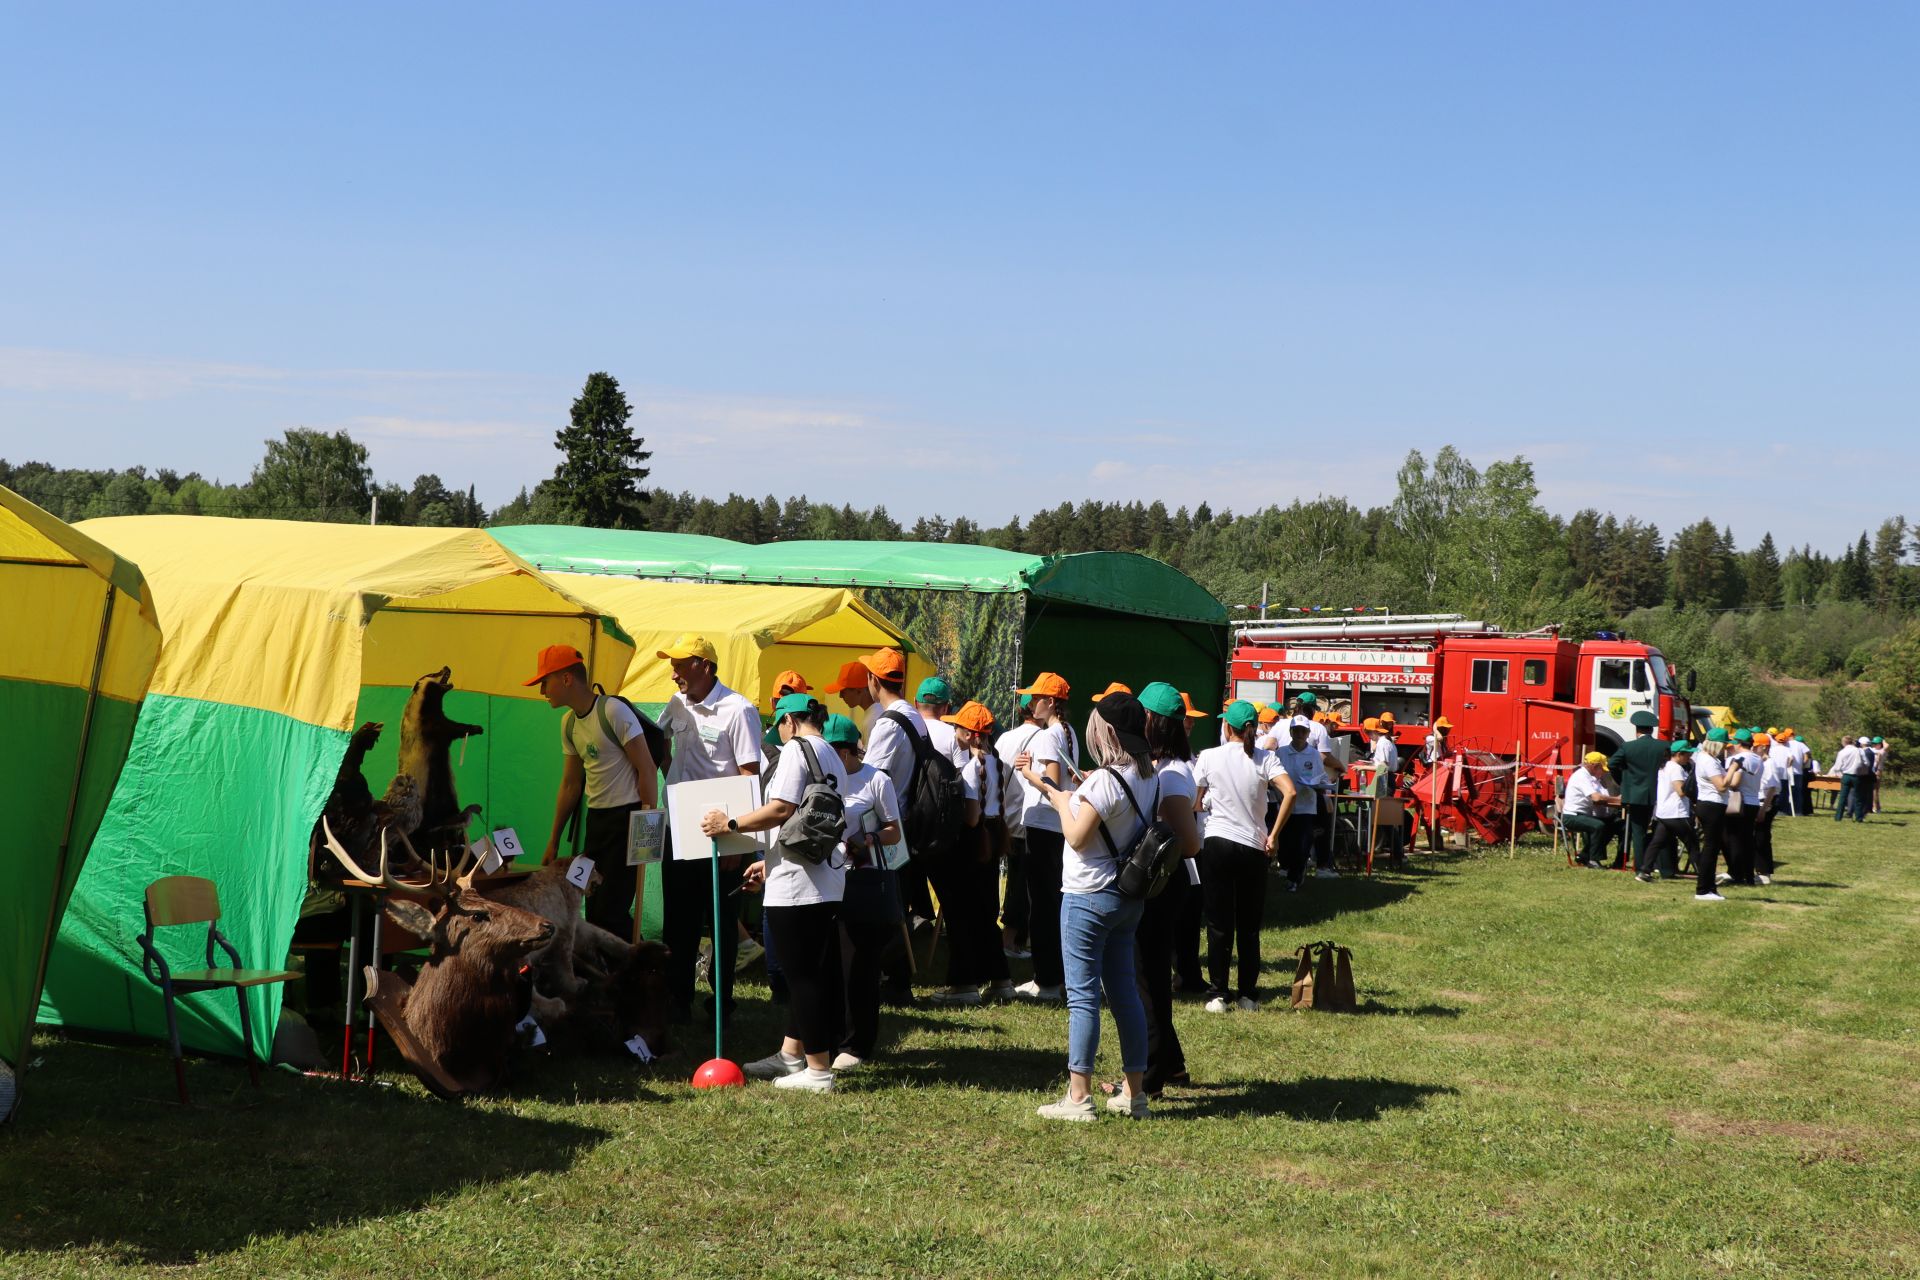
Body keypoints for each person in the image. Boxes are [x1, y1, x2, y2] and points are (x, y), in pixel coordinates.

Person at [697, 694, 846, 1092]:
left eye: (778, 726)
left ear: (790, 722)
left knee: (802, 977)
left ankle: (818, 1072)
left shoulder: (796, 750)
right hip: (825, 878)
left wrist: (730, 823)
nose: (777, 736)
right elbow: (809, 817)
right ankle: (791, 1055)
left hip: (797, 889)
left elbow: (781, 809)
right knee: (808, 972)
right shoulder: (831, 753)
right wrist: (771, 861)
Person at [1020, 692, 1157, 1121]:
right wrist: (1068, 791)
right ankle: (1134, 1094)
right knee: (1124, 994)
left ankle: (1078, 1097)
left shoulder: (1104, 780)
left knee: (1082, 997)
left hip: (1088, 896)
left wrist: (1061, 800)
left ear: (1108, 732)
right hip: (1126, 896)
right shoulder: (1148, 774)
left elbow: (1077, 837)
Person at [655, 634, 763, 1024]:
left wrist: (738, 840)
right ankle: (677, 1001)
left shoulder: (739, 709)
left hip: (722, 835)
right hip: (679, 827)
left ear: (704, 664)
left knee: (721, 922)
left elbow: (750, 776)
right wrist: (671, 781)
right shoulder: (676, 704)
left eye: (680, 665)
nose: (674, 674)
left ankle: (721, 1005)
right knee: (678, 922)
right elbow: (660, 743)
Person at [530, 645, 660, 941]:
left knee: (611, 912)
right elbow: (570, 785)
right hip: (597, 823)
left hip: (627, 819)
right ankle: (610, 975)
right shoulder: (569, 723)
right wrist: (553, 840)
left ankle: (637, 969)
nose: (541, 691)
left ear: (566, 679)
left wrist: (646, 827)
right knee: (595, 907)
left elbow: (647, 769)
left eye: (544, 682)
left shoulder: (613, 710)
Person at [825, 652, 917, 1011]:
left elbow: (870, 777)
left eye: (847, 690)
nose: (845, 697)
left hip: (875, 840)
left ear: (871, 683)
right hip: (889, 829)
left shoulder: (883, 722)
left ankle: (889, 980)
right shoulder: (910, 716)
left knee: (873, 924)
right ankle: (893, 980)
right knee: (887, 915)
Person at [1192, 701, 1297, 1013]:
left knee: (1218, 923)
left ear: (1228, 727)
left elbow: (1195, 803)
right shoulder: (1266, 758)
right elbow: (1289, 792)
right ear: (1253, 727)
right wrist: (1274, 835)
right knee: (1249, 925)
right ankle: (1248, 994)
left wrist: (1209, 802)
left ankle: (1217, 994)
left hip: (1218, 843)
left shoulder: (1209, 756)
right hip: (1254, 846)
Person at [1126, 683, 1205, 1098]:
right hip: (1162, 882)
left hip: (1164, 883)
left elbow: (1191, 843)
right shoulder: (1164, 767)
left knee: (1147, 979)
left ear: (1153, 722)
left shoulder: (1172, 774)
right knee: (1148, 975)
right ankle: (1170, 1065)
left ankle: (1150, 1075)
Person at [818, 711, 902, 1071]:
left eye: (834, 751)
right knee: (830, 963)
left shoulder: (876, 781)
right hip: (825, 881)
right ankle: (832, 1035)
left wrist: (867, 839)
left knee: (860, 966)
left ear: (850, 751)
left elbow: (894, 831)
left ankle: (858, 1042)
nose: (828, 759)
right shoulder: (821, 778)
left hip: (862, 883)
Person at [928, 700, 1016, 1005]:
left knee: (961, 915)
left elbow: (971, 817)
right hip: (992, 840)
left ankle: (963, 985)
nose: (953, 730)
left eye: (957, 726)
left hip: (970, 844)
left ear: (968, 734)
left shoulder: (968, 770)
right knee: (986, 913)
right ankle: (1001, 980)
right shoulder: (998, 764)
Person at [1000, 672, 1073, 1002]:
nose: (1030, 703)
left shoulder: (1047, 736)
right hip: (1056, 829)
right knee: (1050, 906)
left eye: (1036, 698)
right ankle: (1053, 977)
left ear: (1051, 703)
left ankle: (1045, 981)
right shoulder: (1066, 732)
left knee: (1041, 907)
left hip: (1044, 828)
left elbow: (1053, 784)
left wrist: (1028, 772)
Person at [1273, 718, 1330, 891]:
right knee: (1286, 845)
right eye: (1296, 731)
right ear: (1290, 732)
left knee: (1302, 844)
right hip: (1284, 806)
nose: (1299, 735)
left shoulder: (1313, 754)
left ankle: (1294, 879)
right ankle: (1290, 869)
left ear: (1308, 734)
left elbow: (1321, 776)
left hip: (1307, 805)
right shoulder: (1281, 753)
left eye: (1303, 731)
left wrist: (1321, 787)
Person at [1608, 711, 1667, 872]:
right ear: (1652, 730)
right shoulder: (1664, 746)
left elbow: (1612, 764)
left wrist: (1623, 782)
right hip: (1660, 794)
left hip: (1634, 795)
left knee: (1638, 831)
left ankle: (1641, 866)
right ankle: (1664, 865)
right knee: (1661, 830)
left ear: (1637, 729)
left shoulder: (1628, 747)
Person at [1638, 741, 1698, 883]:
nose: (1689, 756)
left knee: (1656, 843)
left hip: (1664, 812)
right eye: (1688, 754)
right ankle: (1705, 875)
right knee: (1693, 844)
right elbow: (1681, 791)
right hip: (1676, 812)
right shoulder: (1676, 768)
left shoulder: (1665, 767)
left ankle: (1644, 871)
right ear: (1679, 754)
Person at [1561, 752, 1624, 869]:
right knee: (1599, 826)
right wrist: (1616, 799)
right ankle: (1593, 860)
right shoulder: (1581, 776)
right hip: (1573, 816)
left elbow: (1601, 797)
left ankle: (1586, 855)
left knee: (1617, 825)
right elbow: (1596, 798)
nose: (1604, 772)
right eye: (1602, 769)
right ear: (1595, 766)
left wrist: (1615, 800)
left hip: (1584, 814)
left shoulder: (1592, 778)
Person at [1692, 730, 1735, 900]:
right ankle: (1703, 890)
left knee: (1712, 847)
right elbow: (1722, 786)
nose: (1725, 747)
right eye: (1724, 744)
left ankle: (1709, 887)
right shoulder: (1708, 761)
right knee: (1710, 849)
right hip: (1711, 806)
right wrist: (1733, 768)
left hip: (1709, 804)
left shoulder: (1706, 758)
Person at [1722, 729, 1764, 886]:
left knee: (1733, 840)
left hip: (1739, 802)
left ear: (1738, 743)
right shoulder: (1758, 759)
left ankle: (1737, 874)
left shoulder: (1737, 758)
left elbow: (1734, 782)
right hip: (1753, 801)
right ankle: (1749, 876)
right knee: (1747, 840)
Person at [1751, 732, 1783, 886]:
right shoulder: (1759, 762)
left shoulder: (1770, 763)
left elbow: (1772, 788)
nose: (1752, 748)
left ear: (1763, 747)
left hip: (1766, 802)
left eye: (1755, 746)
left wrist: (1764, 809)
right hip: (1760, 801)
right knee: (1757, 837)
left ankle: (1764, 872)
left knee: (1762, 838)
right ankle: (1758, 869)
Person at [1833, 736, 1872, 824]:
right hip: (1857, 775)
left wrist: (1840, 775)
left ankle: (1838, 817)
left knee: (1843, 797)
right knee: (1858, 797)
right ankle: (1858, 817)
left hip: (1846, 775)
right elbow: (1867, 763)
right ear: (1852, 742)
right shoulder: (1859, 750)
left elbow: (1837, 767)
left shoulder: (1842, 752)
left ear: (1843, 743)